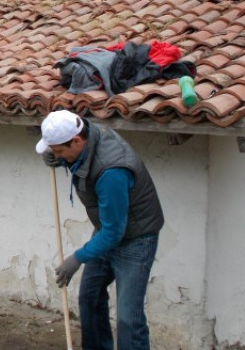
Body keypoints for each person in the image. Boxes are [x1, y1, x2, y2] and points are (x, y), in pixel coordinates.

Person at [36, 109, 164, 350]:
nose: (57, 154)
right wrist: (59, 158)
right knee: (90, 297)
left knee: (128, 317)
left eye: (60, 150)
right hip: (108, 228)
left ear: (76, 141)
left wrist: (77, 258)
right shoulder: (85, 132)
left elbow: (115, 232)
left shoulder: (112, 170)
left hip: (135, 238)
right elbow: (76, 157)